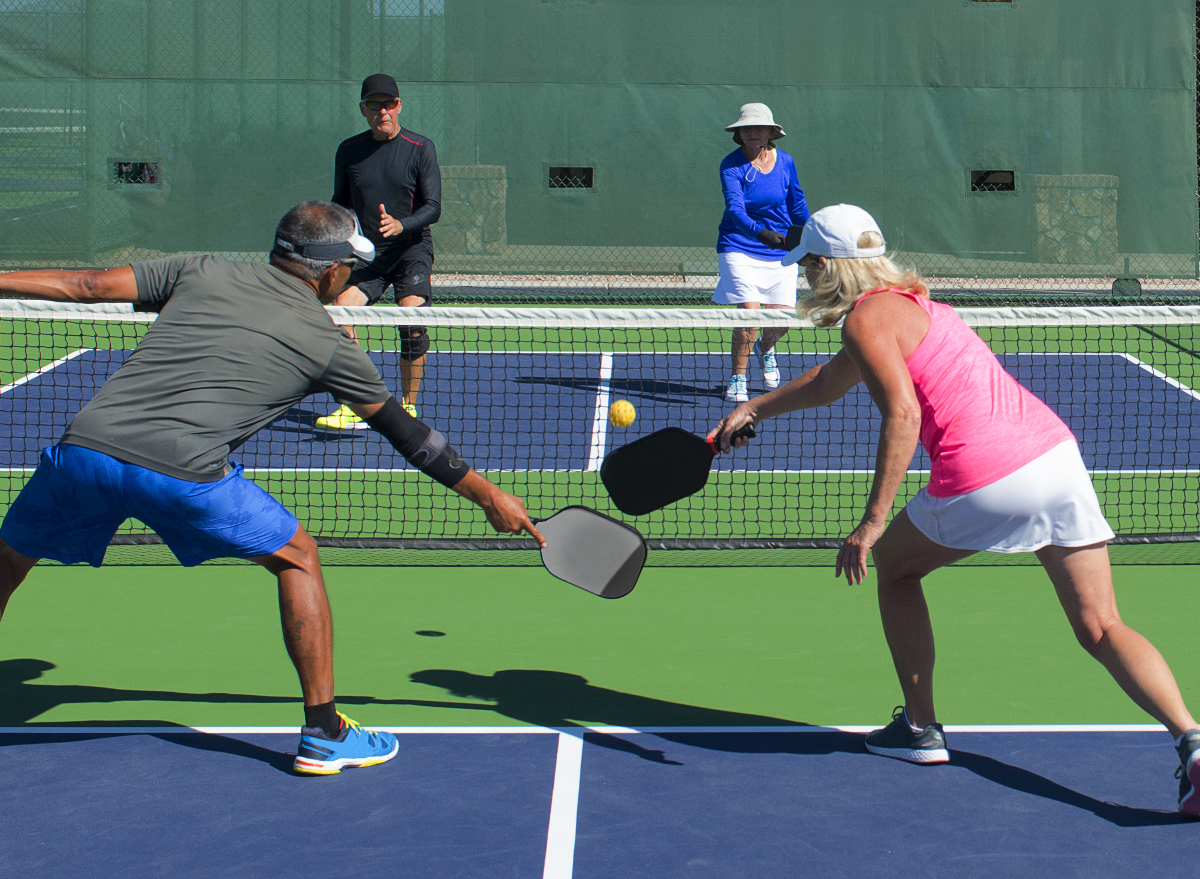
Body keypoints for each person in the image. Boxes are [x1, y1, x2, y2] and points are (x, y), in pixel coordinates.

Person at [0, 200, 546, 776]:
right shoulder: (330, 343)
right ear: (331, 270)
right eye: (350, 268)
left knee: (8, 559)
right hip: (182, 472)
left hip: (83, 450)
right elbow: (409, 436)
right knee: (298, 557)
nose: (352, 278)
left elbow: (84, 285)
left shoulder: (200, 269)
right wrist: (490, 496)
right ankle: (324, 733)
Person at [709, 203, 1200, 815]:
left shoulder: (865, 321)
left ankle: (920, 729)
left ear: (831, 266)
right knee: (1102, 626)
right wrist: (755, 407)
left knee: (895, 566)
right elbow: (830, 382)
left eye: (809, 264)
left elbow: (904, 415)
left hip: (986, 474)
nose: (806, 277)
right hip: (1055, 458)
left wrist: (871, 523)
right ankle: (1192, 742)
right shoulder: (920, 307)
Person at [318, 72, 441, 429]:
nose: (382, 112)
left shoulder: (421, 149)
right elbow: (340, 202)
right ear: (364, 110)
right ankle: (357, 404)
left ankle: (408, 406)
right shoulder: (350, 151)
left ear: (398, 106)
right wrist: (336, 235)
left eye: (389, 104)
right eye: (375, 106)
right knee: (341, 313)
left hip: (410, 252)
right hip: (368, 257)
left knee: (411, 321)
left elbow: (433, 206)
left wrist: (403, 224)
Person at [713, 102, 809, 403]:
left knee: (780, 321)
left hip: (780, 249)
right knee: (750, 316)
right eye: (747, 128)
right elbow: (736, 210)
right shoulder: (730, 166)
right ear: (739, 134)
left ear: (770, 133)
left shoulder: (786, 162)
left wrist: (808, 236)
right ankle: (738, 378)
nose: (753, 132)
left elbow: (796, 203)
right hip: (739, 245)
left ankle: (766, 348)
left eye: (759, 128)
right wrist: (762, 234)